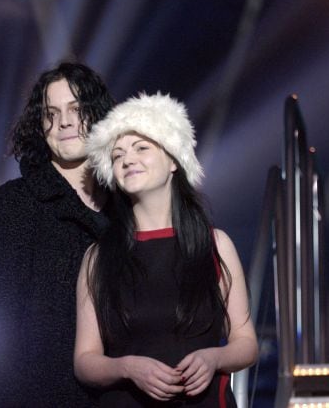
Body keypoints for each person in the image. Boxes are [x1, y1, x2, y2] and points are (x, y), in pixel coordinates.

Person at [74, 92, 258, 407]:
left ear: (173, 159)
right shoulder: (98, 256)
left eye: (141, 148)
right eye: (117, 155)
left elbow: (246, 344)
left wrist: (213, 358)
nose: (127, 159)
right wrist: (127, 367)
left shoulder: (214, 244)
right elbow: (85, 360)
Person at [0, 61, 114, 406]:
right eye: (51, 113)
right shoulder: (14, 205)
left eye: (76, 109)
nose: (64, 122)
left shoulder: (128, 206)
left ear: (99, 116)